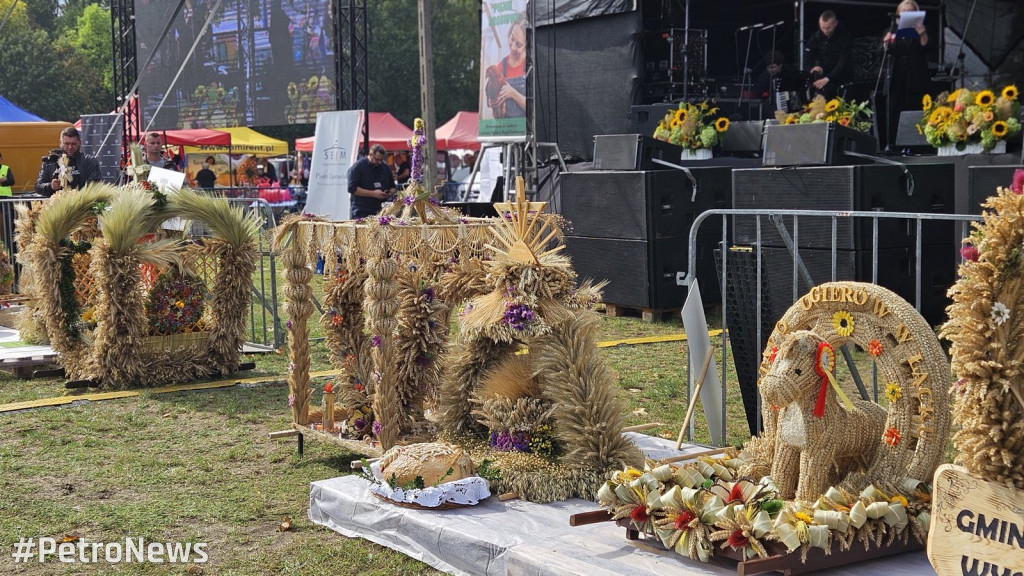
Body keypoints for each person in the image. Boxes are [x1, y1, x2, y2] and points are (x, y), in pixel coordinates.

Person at [881, 0, 931, 151]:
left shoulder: (921, 30)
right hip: (896, 76)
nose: (907, 14)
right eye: (904, 11)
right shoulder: (891, 30)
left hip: (915, 76)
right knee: (894, 110)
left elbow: (927, 48)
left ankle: (914, 145)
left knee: (913, 108)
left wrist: (922, 34)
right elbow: (882, 53)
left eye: (911, 11)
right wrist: (885, 43)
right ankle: (892, 144)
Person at [35, 127, 102, 197]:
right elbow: (38, 186)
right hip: (56, 205)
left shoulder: (89, 161)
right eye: (67, 144)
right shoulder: (50, 161)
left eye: (73, 144)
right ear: (60, 143)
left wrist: (76, 194)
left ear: (80, 143)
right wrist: (50, 186)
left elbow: (95, 185)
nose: (70, 147)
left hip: (81, 203)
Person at [486, 12, 527, 119]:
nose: (513, 47)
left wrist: (512, 93)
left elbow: (535, 108)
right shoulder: (500, 67)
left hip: (525, 131)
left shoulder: (531, 66)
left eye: (518, 44)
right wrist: (492, 102)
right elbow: (497, 113)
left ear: (528, 45)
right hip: (506, 129)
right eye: (512, 39)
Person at [805, 10, 853, 100]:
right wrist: (813, 67)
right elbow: (808, 55)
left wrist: (828, 78)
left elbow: (843, 62)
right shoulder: (817, 36)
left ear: (835, 24)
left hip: (842, 77)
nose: (826, 31)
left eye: (828, 28)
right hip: (824, 74)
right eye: (823, 28)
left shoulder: (845, 37)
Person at [347, 144, 396, 219]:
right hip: (361, 210)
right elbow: (352, 188)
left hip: (381, 210)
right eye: (377, 159)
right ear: (370, 155)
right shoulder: (358, 166)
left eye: (381, 160)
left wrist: (388, 193)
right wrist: (373, 194)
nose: (379, 162)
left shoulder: (385, 168)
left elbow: (393, 187)